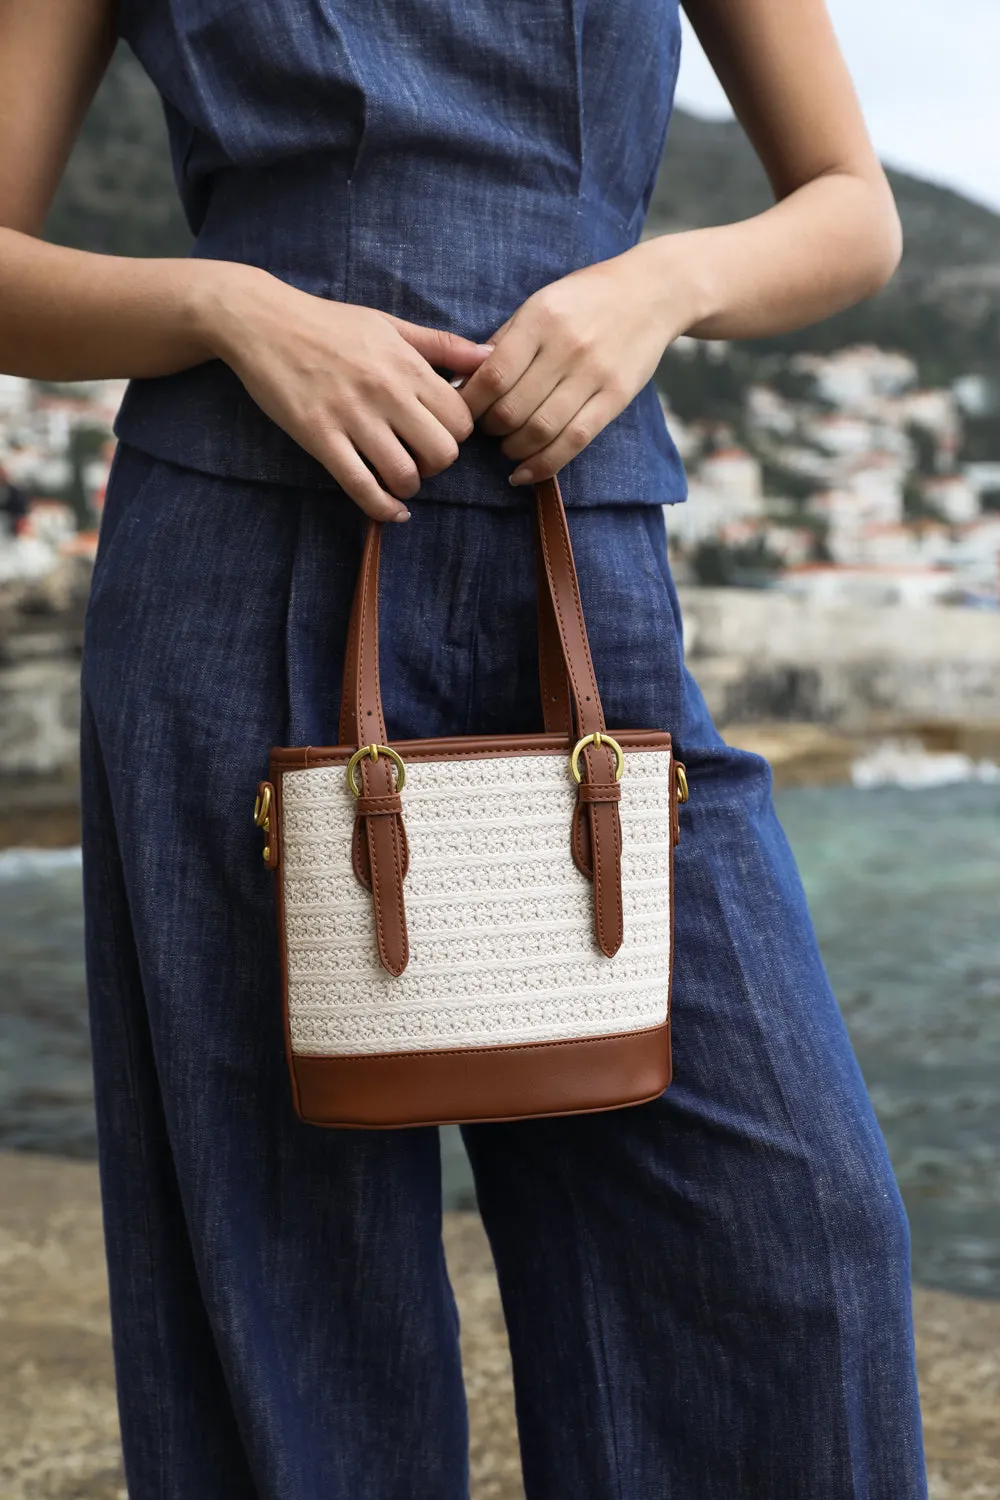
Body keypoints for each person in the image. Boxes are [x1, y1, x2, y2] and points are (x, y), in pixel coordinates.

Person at [0, 1, 929, 1496]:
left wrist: (659, 284)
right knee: (290, 1313)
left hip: (582, 579)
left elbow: (853, 209)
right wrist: (233, 311)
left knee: (797, 1241)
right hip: (233, 577)